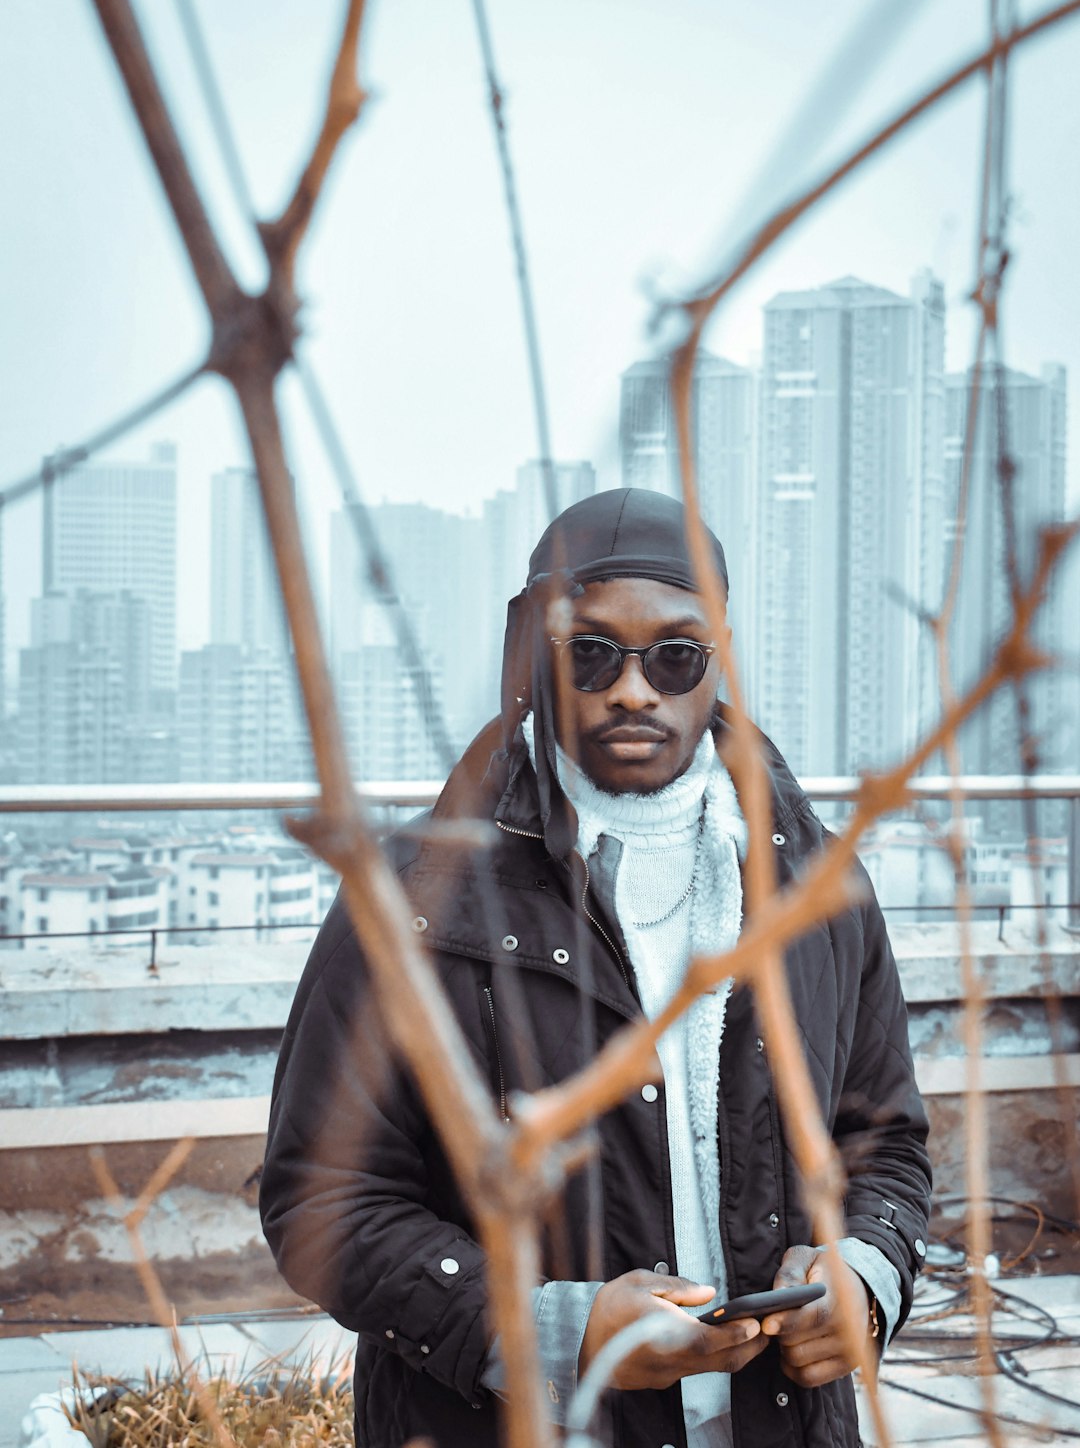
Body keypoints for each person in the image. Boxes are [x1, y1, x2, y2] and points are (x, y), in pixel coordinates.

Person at [260, 488, 932, 1448]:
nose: (633, 688)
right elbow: (319, 1196)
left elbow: (888, 1144)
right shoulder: (418, 897)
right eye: (591, 652)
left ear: (718, 661)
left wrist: (864, 1278)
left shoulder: (820, 886)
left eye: (674, 656)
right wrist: (552, 1335)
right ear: (538, 653)